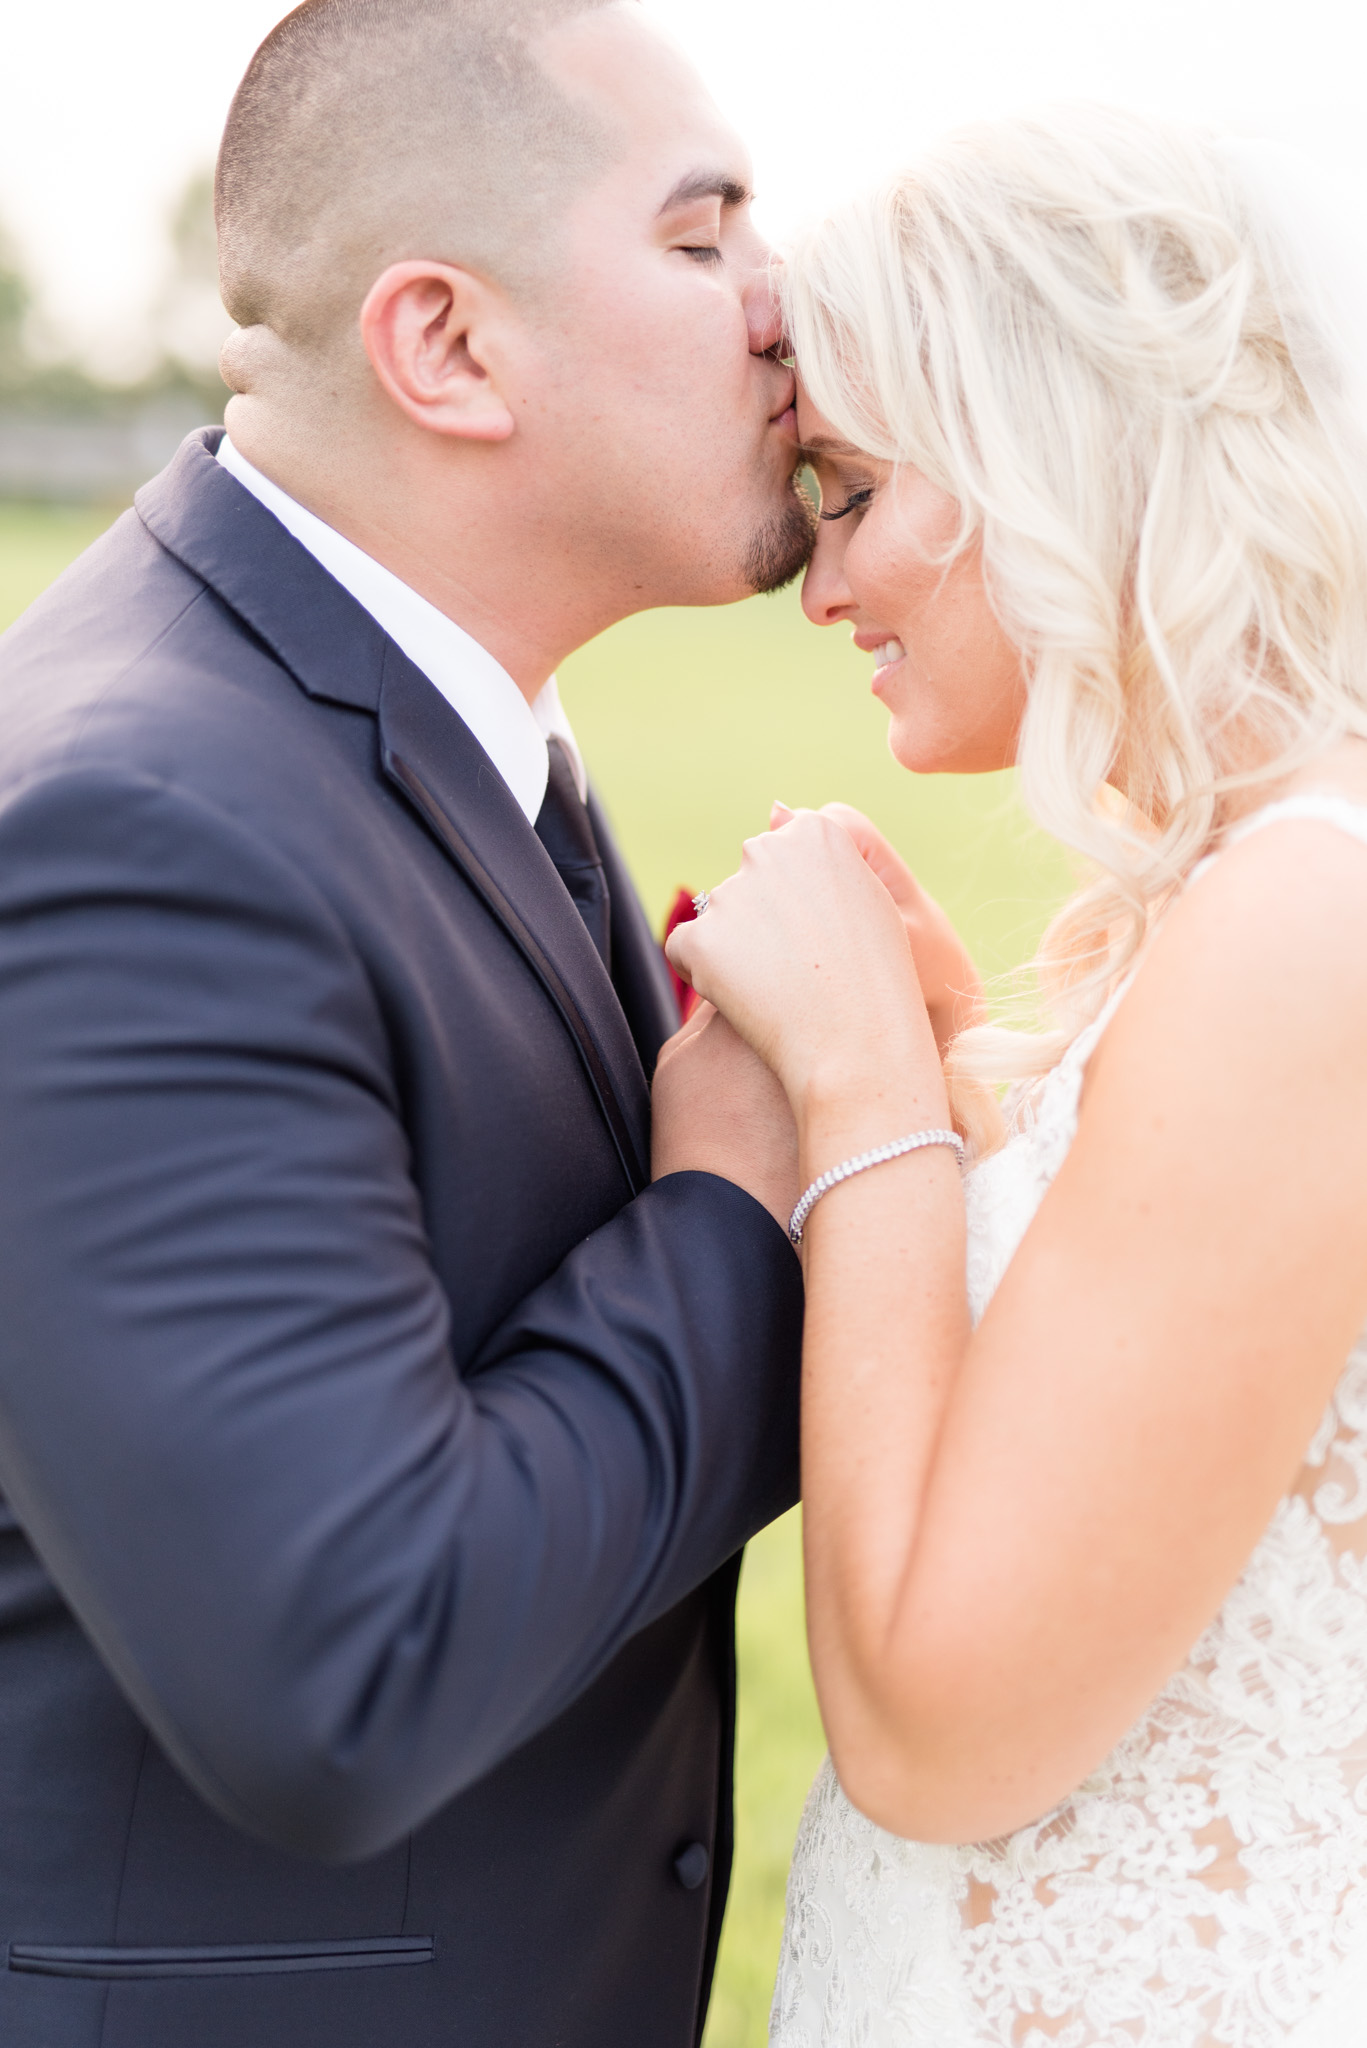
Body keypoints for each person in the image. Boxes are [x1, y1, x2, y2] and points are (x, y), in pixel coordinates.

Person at [0, 5, 814, 2045]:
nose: (786, 308)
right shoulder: (135, 829)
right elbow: (346, 1670)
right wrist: (745, 1203)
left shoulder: (431, 719)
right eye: (706, 239)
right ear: (447, 344)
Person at [663, 108, 1367, 2046]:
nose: (819, 583)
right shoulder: (1249, 898)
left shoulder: (1303, 925)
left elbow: (927, 1719)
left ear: (1036, 448)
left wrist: (868, 1092)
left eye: (853, 487)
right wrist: (973, 1095)